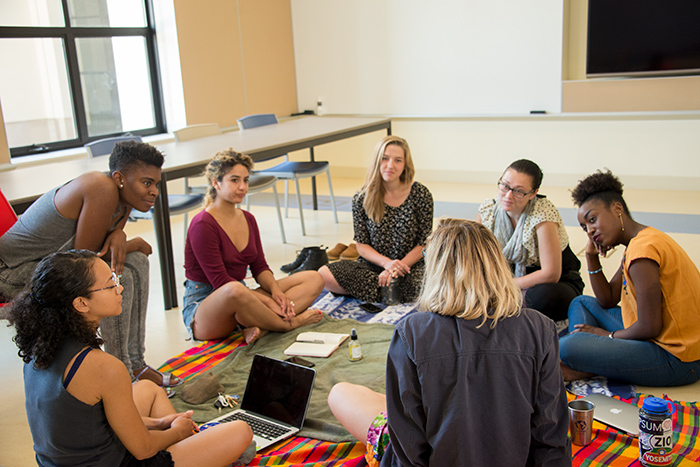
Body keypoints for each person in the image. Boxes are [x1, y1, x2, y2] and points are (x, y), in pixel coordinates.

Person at [328, 219, 571, 467]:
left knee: (341, 393)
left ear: (437, 268)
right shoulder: (539, 327)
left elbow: (408, 444)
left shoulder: (412, 332)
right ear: (497, 265)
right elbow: (551, 435)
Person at [5, 250, 253, 466]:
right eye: (110, 285)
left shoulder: (39, 348)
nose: (119, 287)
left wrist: (157, 424)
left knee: (148, 388)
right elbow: (142, 448)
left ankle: (187, 450)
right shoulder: (103, 366)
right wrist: (176, 432)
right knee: (240, 431)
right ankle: (184, 451)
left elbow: (88, 423)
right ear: (81, 303)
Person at [0, 141, 179, 387]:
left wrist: (120, 236)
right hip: (10, 274)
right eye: (147, 183)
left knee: (134, 261)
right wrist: (130, 240)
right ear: (119, 178)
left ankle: (136, 362)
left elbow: (98, 252)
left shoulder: (122, 197)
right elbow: (81, 263)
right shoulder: (101, 188)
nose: (155, 192)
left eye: (156, 184)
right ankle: (122, 374)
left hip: (44, 267)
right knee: (115, 277)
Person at [559, 170, 700, 386]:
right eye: (585, 227)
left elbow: (649, 326)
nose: (590, 230)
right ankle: (590, 360)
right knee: (582, 303)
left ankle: (586, 359)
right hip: (656, 338)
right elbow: (607, 299)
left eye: (592, 219)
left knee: (567, 347)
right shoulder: (639, 242)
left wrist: (606, 336)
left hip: (678, 359)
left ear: (617, 208)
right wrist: (590, 256)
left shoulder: (643, 250)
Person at [182, 149, 324, 343]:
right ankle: (288, 324)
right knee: (235, 290)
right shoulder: (202, 225)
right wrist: (267, 301)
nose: (242, 187)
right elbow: (221, 282)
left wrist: (276, 293)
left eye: (246, 180)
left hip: (242, 297)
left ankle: (258, 325)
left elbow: (260, 267)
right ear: (216, 183)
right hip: (205, 308)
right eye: (234, 180)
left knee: (314, 277)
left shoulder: (248, 218)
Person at [318, 136, 433, 304]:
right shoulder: (361, 197)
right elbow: (361, 245)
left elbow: (424, 243)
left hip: (410, 266)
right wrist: (387, 264)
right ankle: (392, 291)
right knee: (324, 273)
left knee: (433, 281)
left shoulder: (421, 194)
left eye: (398, 160)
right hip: (374, 266)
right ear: (377, 160)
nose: (390, 165)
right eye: (385, 158)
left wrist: (396, 268)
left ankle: (384, 290)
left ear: (405, 164)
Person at [476, 159, 584, 321]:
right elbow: (471, 253)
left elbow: (551, 274)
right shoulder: (489, 209)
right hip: (504, 277)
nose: (508, 195)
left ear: (533, 193)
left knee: (544, 297)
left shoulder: (542, 213)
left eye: (519, 191)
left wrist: (505, 286)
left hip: (550, 282)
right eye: (505, 186)